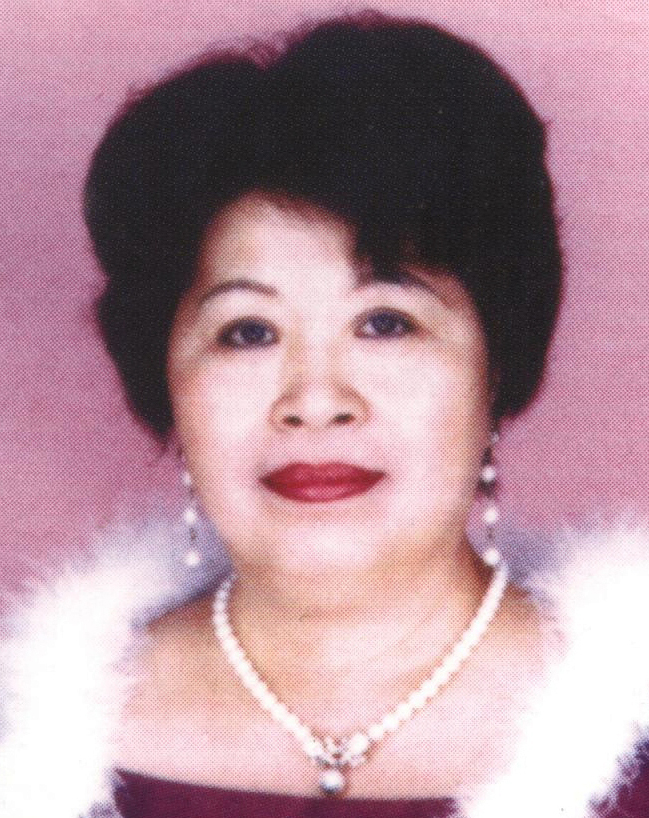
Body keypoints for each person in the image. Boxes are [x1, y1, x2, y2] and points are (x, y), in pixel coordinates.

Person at [1, 10, 648, 818]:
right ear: (163, 378)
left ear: (496, 366)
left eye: (385, 323)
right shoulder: (23, 738)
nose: (314, 401)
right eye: (247, 332)